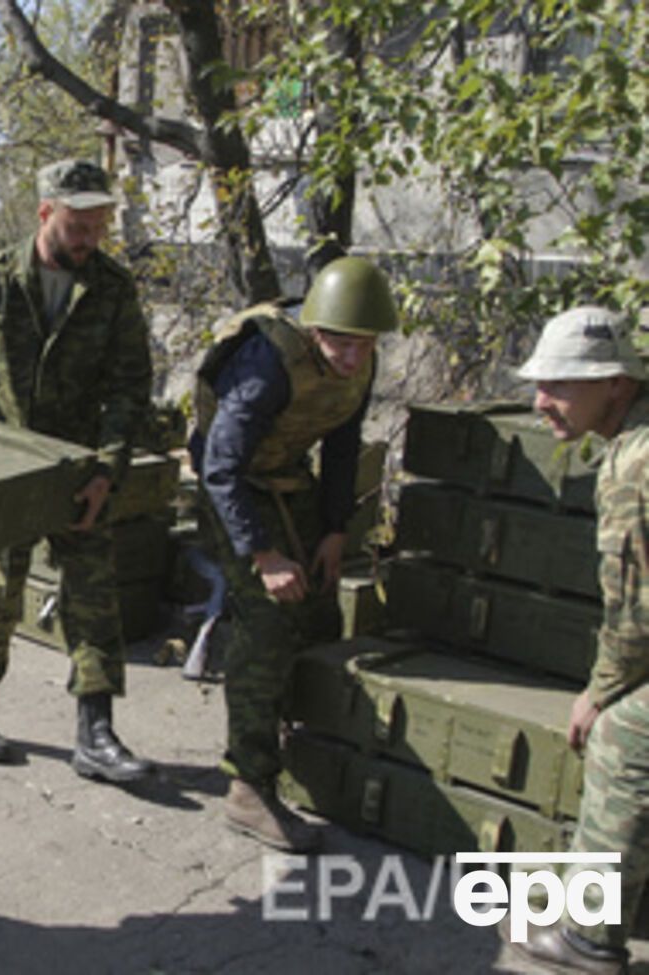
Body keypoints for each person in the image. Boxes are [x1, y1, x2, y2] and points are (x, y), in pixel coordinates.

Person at [0, 158, 154, 783]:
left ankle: (97, 733)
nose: (88, 238)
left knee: (93, 592)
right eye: (76, 225)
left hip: (78, 468)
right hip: (6, 464)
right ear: (44, 214)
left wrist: (107, 469)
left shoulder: (112, 288)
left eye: (98, 226)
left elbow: (130, 386)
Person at [192, 256, 397, 852]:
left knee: (320, 610)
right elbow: (220, 467)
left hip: (287, 475)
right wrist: (264, 556)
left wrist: (334, 530)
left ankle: (312, 752)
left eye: (365, 345)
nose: (353, 358)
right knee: (267, 622)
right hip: (231, 488)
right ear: (313, 332)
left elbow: (342, 446)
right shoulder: (268, 366)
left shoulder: (358, 364)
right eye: (340, 343)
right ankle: (248, 785)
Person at [502, 306, 647, 975]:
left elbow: (634, 616)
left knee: (623, 737)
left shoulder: (634, 465)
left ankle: (588, 937)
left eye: (561, 384)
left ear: (616, 384)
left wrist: (599, 693)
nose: (542, 400)